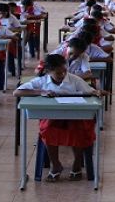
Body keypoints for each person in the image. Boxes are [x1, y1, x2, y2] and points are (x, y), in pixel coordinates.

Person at [14, 54, 104, 182]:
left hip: (76, 116)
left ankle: (77, 164)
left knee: (80, 131)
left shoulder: (74, 80)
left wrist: (97, 92)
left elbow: (91, 91)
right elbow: (17, 92)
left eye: (64, 71)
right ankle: (55, 165)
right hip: (52, 118)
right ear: (48, 71)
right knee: (48, 130)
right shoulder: (42, 81)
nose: (62, 75)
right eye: (58, 73)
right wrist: (40, 92)